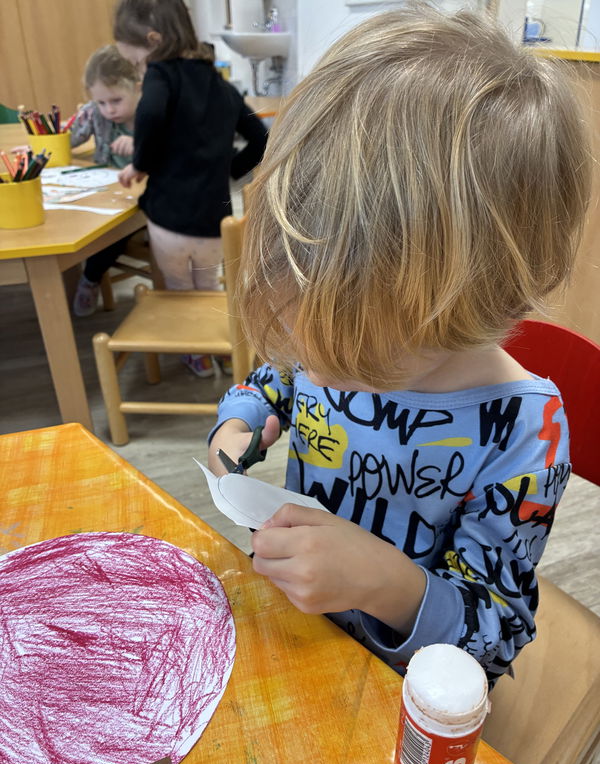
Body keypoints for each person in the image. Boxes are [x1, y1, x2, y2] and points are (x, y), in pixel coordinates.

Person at [207, 6, 590, 685]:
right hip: (302, 640)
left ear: (484, 300)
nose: (313, 365)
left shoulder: (526, 433)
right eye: (300, 338)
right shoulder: (331, 342)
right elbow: (275, 380)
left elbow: (496, 634)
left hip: (406, 686)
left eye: (345, 356)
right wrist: (240, 421)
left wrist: (385, 583)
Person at [115, 0, 269, 377]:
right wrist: (229, 171)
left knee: (180, 290)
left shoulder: (161, 74)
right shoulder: (221, 85)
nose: (141, 70)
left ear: (154, 41)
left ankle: (196, 354)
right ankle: (222, 350)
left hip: (170, 218)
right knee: (208, 286)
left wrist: (140, 163)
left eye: (137, 62)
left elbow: (150, 112)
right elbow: (261, 139)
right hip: (214, 220)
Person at [69, 45, 142, 317]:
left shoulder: (152, 113)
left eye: (116, 100)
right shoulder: (95, 113)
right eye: (101, 103)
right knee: (80, 222)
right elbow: (69, 137)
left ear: (137, 88)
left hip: (143, 198)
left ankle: (90, 278)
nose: (109, 110)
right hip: (107, 193)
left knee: (112, 235)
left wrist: (139, 148)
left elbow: (170, 151)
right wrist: (41, 145)